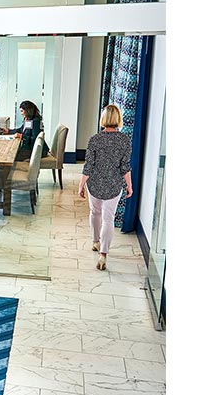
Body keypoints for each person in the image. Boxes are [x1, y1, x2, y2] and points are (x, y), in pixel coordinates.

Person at [78, 104, 134, 271]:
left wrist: (81, 184)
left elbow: (88, 166)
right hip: (114, 184)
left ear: (103, 119)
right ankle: (103, 254)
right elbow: (125, 167)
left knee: (94, 212)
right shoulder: (125, 140)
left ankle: (95, 241)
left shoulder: (95, 139)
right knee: (108, 218)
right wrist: (129, 186)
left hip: (94, 183)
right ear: (118, 119)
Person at [0, 100, 49, 205]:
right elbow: (21, 130)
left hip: (34, 151)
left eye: (22, 111)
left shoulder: (35, 121)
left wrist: (22, 136)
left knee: (9, 156)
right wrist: (10, 131)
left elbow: (34, 138)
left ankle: (0, 181)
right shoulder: (28, 119)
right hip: (28, 148)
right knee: (8, 155)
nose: (21, 113)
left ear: (28, 110)